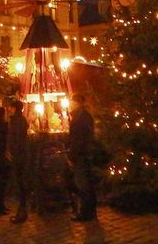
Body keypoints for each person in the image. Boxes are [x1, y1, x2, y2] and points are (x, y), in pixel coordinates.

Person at [68, 94, 96, 222]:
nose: (71, 104)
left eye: (72, 102)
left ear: (77, 102)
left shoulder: (81, 117)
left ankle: (86, 213)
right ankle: (90, 211)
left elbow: (78, 139)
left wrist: (73, 153)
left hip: (81, 154)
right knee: (86, 183)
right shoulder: (83, 116)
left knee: (83, 184)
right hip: (83, 153)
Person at [6, 99, 29, 223]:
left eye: (11, 107)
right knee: (20, 182)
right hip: (20, 154)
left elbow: (17, 138)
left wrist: (12, 151)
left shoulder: (16, 121)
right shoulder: (21, 120)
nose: (9, 109)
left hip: (18, 155)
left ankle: (22, 212)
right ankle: (22, 210)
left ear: (15, 108)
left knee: (19, 183)